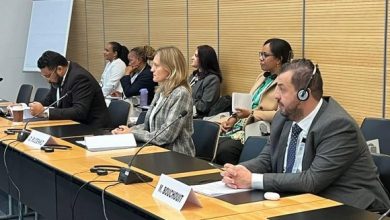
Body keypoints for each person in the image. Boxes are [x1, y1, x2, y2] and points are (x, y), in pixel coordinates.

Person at [222, 59, 390, 211]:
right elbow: (268, 158)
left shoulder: (338, 126)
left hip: (353, 208)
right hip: (303, 201)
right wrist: (240, 171)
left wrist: (252, 180)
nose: (275, 96)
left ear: (304, 94)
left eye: (282, 89)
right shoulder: (283, 116)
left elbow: (312, 180)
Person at [215, 38, 293, 165]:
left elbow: (281, 114)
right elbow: (249, 103)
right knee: (209, 140)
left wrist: (251, 113)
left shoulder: (287, 82)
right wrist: (233, 118)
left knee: (224, 150)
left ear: (279, 59)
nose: (261, 58)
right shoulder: (261, 76)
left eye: (265, 55)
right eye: (260, 54)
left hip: (258, 128)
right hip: (242, 123)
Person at [112, 46, 195, 157]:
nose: (152, 69)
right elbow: (148, 126)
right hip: (155, 150)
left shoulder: (180, 93)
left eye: (156, 65)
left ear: (170, 68)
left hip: (177, 156)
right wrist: (127, 130)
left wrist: (132, 133)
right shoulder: (161, 91)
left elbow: (165, 135)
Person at [30, 50, 110, 128]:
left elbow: (79, 111)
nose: (47, 80)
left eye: (47, 76)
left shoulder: (80, 78)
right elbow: (49, 101)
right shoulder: (58, 78)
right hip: (71, 124)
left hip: (91, 128)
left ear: (59, 69)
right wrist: (29, 106)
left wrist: (45, 112)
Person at [189, 45, 222, 118]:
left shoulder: (212, 79)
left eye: (196, 56)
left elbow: (203, 106)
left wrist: (184, 100)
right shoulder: (194, 75)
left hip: (199, 118)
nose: (192, 58)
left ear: (204, 59)